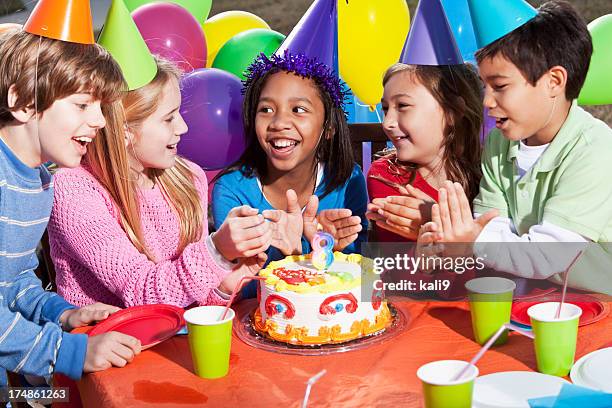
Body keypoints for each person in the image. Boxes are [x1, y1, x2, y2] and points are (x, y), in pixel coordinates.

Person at [419, 1, 612, 294]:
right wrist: (454, 238)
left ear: (554, 81)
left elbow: (550, 254)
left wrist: (475, 241)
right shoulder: (499, 142)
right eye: (485, 86)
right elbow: (489, 223)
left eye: (500, 86)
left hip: (600, 306)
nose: (486, 101)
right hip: (535, 295)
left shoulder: (594, 149)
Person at [48, 58, 265, 308]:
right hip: (103, 340)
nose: (182, 127)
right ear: (125, 131)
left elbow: (193, 304)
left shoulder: (186, 178)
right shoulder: (74, 190)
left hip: (170, 341)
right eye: (169, 118)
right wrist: (216, 251)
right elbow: (142, 294)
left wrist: (226, 284)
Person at [0, 28, 140, 386]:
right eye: (82, 104)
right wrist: (67, 351)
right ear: (23, 103)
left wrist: (63, 315)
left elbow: (13, 281)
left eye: (100, 107)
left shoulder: (40, 181)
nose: (100, 121)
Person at [212, 51, 367, 266]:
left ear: (329, 127)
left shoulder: (348, 181)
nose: (278, 122)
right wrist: (287, 254)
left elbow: (361, 278)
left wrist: (327, 250)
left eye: (298, 109)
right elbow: (237, 286)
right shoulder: (232, 191)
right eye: (266, 109)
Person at [366, 63, 483, 242]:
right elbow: (396, 264)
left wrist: (438, 225)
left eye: (403, 105)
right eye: (385, 108)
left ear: (452, 111)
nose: (387, 123)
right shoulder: (386, 175)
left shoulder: (492, 173)